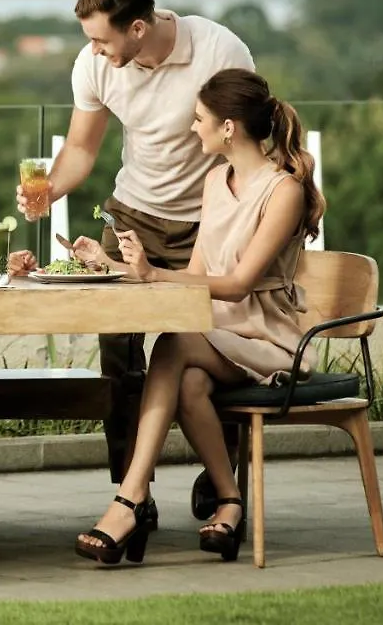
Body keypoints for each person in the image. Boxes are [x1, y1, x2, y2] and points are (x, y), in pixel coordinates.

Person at [16, 0, 256, 518]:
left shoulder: (219, 50)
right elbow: (82, 148)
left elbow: (247, 143)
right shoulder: (95, 65)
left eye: (103, 38)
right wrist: (49, 190)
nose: (94, 51)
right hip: (131, 219)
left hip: (208, 225)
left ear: (140, 27)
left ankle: (222, 474)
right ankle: (131, 490)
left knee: (216, 348)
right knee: (119, 360)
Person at [70, 68, 325, 564]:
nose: (193, 128)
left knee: (171, 344)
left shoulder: (283, 191)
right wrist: (117, 266)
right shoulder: (215, 179)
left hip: (265, 335)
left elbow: (236, 285)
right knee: (186, 382)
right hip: (218, 332)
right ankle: (229, 503)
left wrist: (150, 274)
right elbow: (196, 273)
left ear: (229, 127)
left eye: (199, 119)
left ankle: (130, 498)